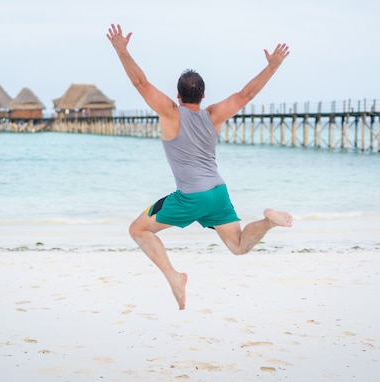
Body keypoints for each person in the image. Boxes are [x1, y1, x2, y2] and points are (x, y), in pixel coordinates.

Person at [107, 24, 293, 310]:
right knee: (239, 246)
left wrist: (122, 50)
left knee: (138, 230)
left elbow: (140, 84)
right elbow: (246, 96)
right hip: (217, 192)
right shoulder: (213, 115)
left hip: (190, 196)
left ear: (178, 96)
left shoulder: (170, 113)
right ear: (203, 96)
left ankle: (173, 277)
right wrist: (273, 66)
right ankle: (269, 220)